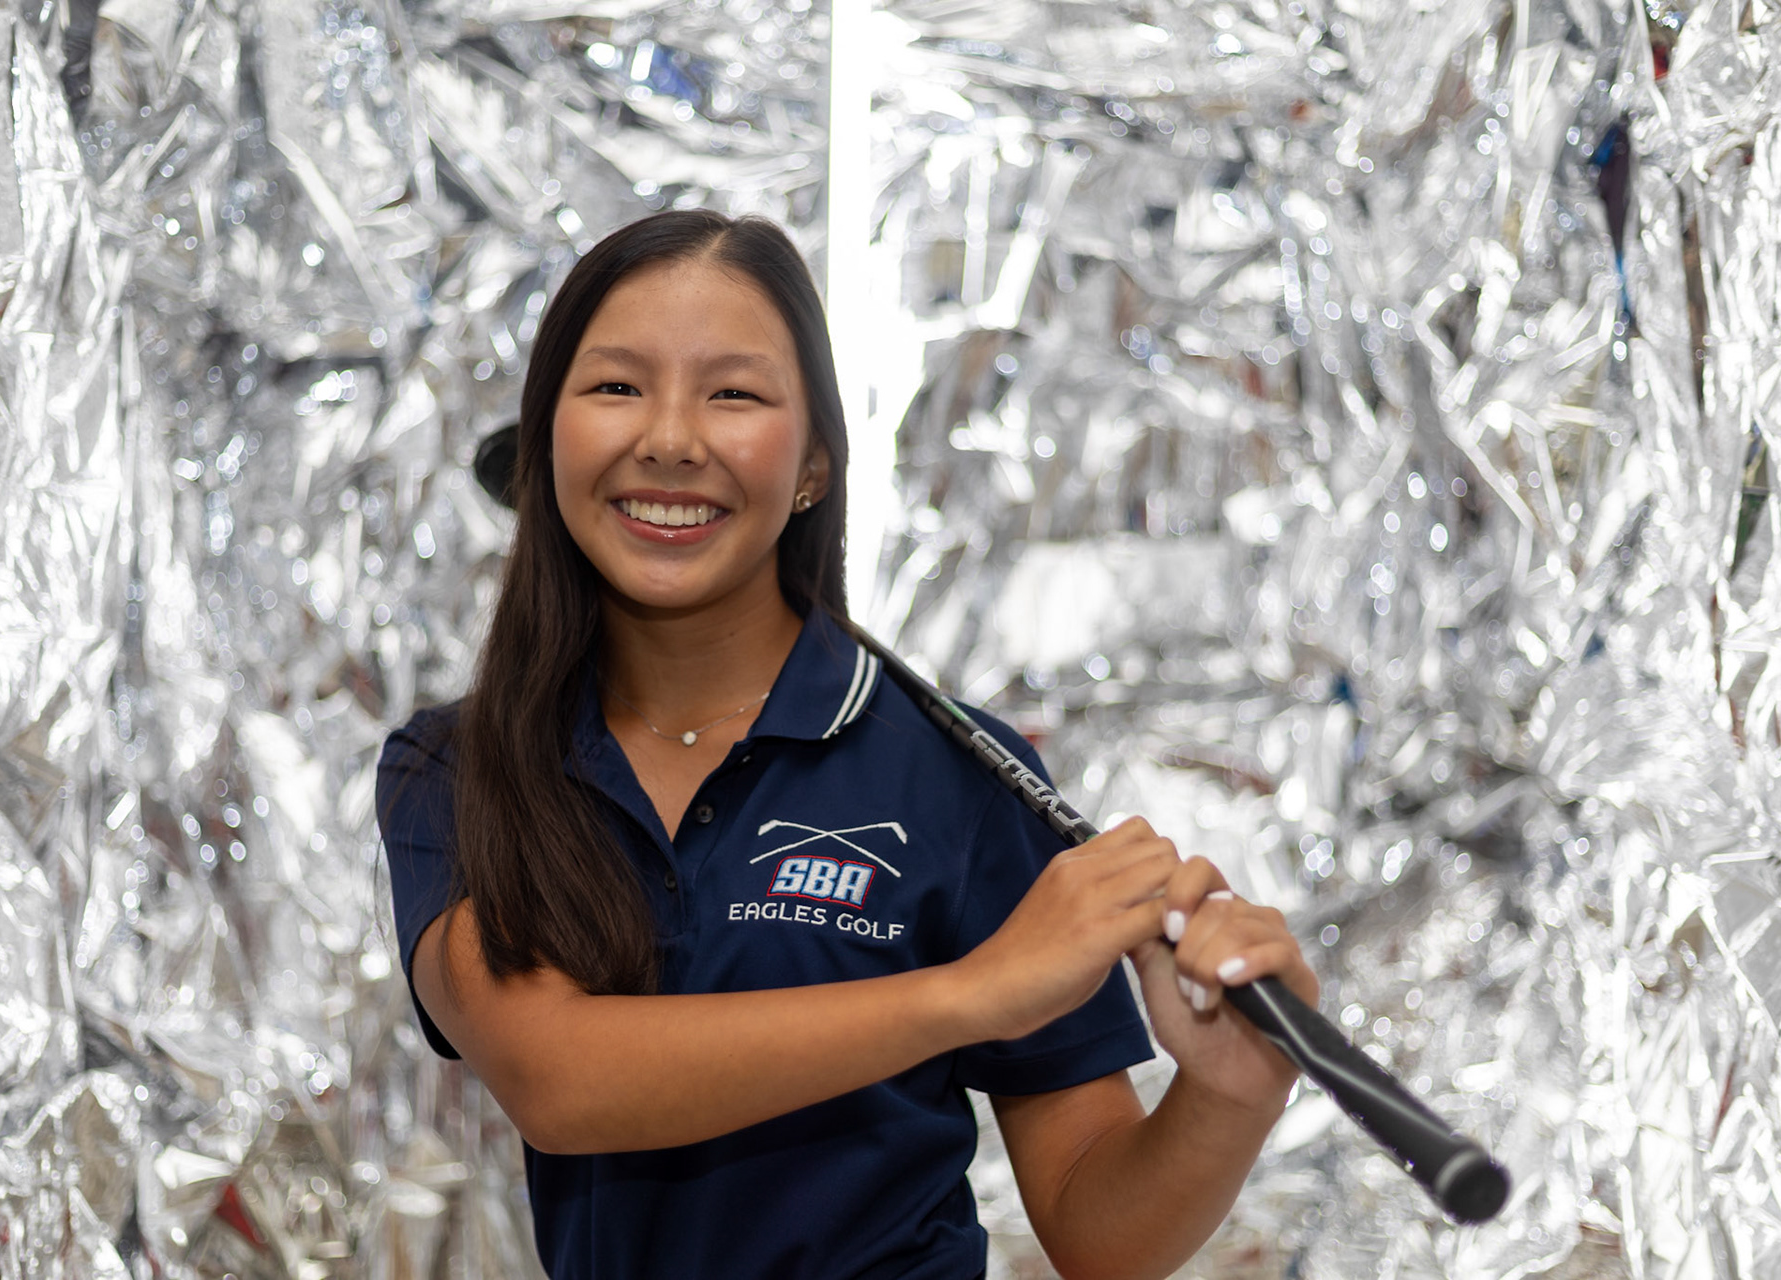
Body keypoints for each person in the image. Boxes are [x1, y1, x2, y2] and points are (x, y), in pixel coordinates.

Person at [376, 209, 1319, 1280]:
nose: (672, 437)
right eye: (616, 386)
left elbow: (1099, 1230)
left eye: (732, 392)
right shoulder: (459, 767)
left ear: (814, 462)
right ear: (548, 440)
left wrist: (1229, 1096)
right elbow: (560, 1081)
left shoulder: (960, 776)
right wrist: (976, 989)